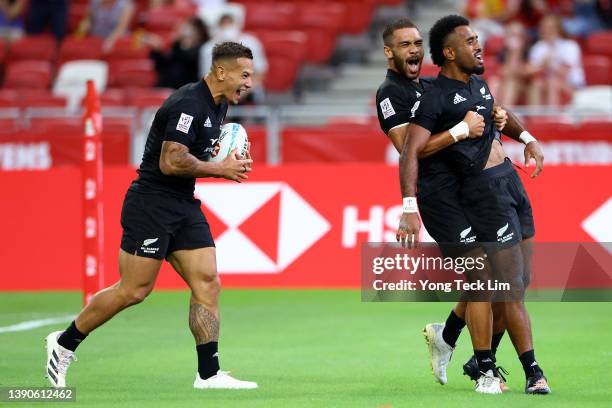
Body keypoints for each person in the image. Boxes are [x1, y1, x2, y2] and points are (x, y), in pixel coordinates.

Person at [45, 41, 258, 390]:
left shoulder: (218, 105)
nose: (250, 82)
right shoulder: (188, 103)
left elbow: (192, 157)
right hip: (151, 204)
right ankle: (64, 342)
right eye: (244, 74)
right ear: (221, 72)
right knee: (133, 290)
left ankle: (208, 374)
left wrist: (221, 159)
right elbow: (170, 160)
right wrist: (219, 169)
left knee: (208, 282)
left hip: (183, 203)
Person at [397, 14, 550, 394]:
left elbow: (498, 115)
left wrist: (526, 136)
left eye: (478, 39)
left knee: (514, 282)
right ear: (449, 52)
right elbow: (410, 153)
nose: (479, 45)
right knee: (496, 284)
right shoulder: (434, 98)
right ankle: (504, 370)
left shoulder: (479, 86)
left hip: (507, 184)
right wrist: (409, 207)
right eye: (470, 41)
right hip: (473, 196)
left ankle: (456, 341)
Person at [376, 18, 510, 394]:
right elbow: (409, 151)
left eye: (417, 42)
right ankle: (486, 372)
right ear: (389, 52)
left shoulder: (432, 85)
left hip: (468, 190)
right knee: (482, 278)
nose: (414, 49)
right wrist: (460, 131)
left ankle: (445, 336)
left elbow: (468, 112)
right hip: (439, 199)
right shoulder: (391, 94)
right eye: (404, 45)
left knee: (487, 276)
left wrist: (495, 120)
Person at [200, 13, 267, 103]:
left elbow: (259, 73)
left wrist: (242, 93)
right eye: (223, 23)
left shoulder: (252, 42)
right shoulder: (208, 48)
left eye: (230, 23)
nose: (227, 27)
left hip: (248, 92)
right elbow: (206, 77)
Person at [526, 14, 585, 106]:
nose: (546, 31)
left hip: (571, 86)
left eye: (550, 28)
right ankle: (535, 118)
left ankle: (552, 118)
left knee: (552, 83)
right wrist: (542, 66)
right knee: (536, 84)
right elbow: (529, 71)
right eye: (543, 27)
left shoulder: (570, 46)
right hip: (545, 82)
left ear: (558, 29)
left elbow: (564, 73)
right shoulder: (538, 47)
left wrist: (550, 65)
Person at [147, 16, 210, 89]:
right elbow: (162, 66)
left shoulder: (203, 50)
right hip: (166, 87)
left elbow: (188, 59)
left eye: (192, 29)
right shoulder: (177, 47)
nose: (187, 32)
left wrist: (182, 44)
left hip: (185, 91)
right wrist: (157, 50)